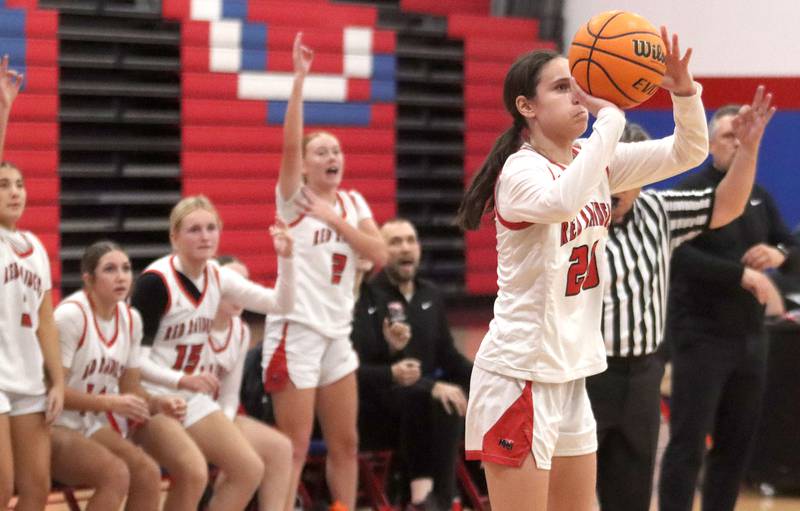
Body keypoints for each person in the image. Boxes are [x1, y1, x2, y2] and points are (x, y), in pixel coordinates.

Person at [456, 28, 708, 511]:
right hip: (520, 375)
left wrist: (684, 92)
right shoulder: (520, 171)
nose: (579, 96)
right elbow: (563, 198)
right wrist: (610, 117)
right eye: (561, 88)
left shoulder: (594, 162)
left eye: (579, 85)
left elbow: (688, 152)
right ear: (527, 107)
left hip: (570, 373)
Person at [587, 86, 775, 511]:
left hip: (642, 376)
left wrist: (747, 150)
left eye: (627, 173)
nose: (615, 182)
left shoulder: (658, 211)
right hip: (585, 375)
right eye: (608, 170)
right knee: (573, 497)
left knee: (632, 495)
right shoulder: (573, 215)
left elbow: (726, 204)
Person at [261, 33, 388, 511]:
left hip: (338, 333)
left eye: (337, 151)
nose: (331, 157)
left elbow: (379, 253)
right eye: (322, 152)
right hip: (296, 331)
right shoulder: (293, 198)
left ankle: (342, 507)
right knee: (292, 445)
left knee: (347, 442)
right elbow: (290, 145)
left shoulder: (351, 203)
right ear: (306, 164)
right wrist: (298, 81)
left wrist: (336, 220)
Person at [659, 100, 799, 511]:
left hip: (752, 339)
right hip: (701, 337)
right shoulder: (691, 193)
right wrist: (736, 274)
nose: (736, 144)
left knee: (736, 446)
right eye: (727, 136)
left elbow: (791, 246)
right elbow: (675, 253)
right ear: (709, 143)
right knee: (688, 444)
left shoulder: (758, 195)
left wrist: (778, 256)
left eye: (743, 136)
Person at [131, 195, 295, 511]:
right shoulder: (155, 283)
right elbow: (133, 362)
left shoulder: (219, 276)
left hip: (188, 395)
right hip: (148, 394)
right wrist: (181, 380)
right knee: (194, 473)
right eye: (194, 230)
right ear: (174, 237)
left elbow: (281, 303)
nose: (205, 236)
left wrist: (286, 259)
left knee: (249, 469)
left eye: (211, 228)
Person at [52, 240, 202, 511]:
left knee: (147, 472)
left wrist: (158, 403)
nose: (121, 276)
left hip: (90, 423)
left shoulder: (131, 318)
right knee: (115, 474)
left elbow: (131, 389)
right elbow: (55, 392)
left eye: (126, 268)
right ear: (89, 279)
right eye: (110, 269)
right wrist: (110, 403)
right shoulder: (70, 316)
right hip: (53, 424)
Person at [353, 218, 473, 511]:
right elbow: (360, 370)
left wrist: (489, 379)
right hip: (378, 406)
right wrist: (430, 386)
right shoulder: (367, 296)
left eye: (411, 240)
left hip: (422, 401)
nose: (405, 248)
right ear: (381, 251)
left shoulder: (429, 293)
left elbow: (448, 356)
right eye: (395, 242)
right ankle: (439, 500)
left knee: (453, 396)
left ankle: (446, 495)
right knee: (437, 400)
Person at [0, 55, 65, 510]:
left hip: (29, 379)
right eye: (3, 184)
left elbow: (44, 318)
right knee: (1, 488)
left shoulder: (34, 247)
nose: (14, 191)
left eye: (19, 184)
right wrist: (4, 107)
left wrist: (57, 380)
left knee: (36, 490)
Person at [199, 255, 293, 511]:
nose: (241, 292)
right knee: (246, 463)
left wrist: (225, 424)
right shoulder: (192, 326)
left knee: (281, 447)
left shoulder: (240, 331)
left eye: (246, 285)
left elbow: (230, 395)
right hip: (186, 415)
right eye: (234, 284)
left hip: (219, 415)